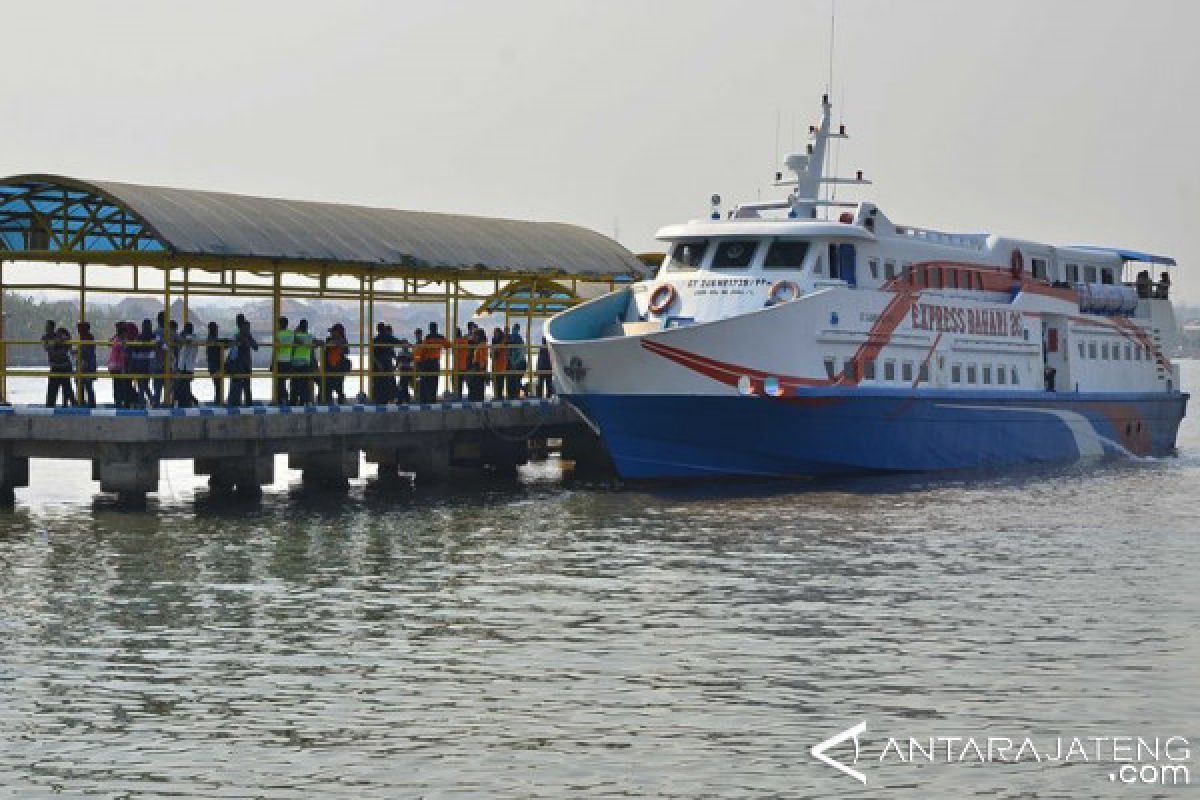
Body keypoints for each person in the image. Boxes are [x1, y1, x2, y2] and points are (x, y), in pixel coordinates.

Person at [226, 317, 258, 406]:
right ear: (241, 328)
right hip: (238, 365)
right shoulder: (237, 336)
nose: (248, 329)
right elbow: (233, 350)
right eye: (246, 328)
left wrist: (248, 340)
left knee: (247, 385)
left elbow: (256, 347)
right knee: (236, 384)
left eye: (249, 328)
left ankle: (248, 402)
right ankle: (234, 402)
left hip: (246, 364)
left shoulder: (248, 336)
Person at [42, 321, 74, 407]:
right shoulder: (46, 337)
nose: (46, 329)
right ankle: (50, 405)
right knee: (53, 388)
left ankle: (70, 403)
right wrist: (56, 343)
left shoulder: (59, 336)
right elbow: (47, 347)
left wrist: (59, 342)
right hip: (55, 366)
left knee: (67, 387)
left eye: (48, 327)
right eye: (46, 327)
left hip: (64, 366)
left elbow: (67, 341)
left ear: (52, 328)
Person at [323, 323, 350, 404]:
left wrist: (338, 344)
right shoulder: (329, 339)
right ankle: (328, 401)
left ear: (338, 332)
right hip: (329, 366)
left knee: (339, 385)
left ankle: (340, 400)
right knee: (328, 386)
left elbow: (346, 351)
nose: (331, 333)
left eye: (333, 332)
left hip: (339, 365)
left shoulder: (343, 340)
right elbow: (327, 347)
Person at [419, 322, 446, 403]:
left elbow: (422, 351)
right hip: (435, 362)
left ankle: (425, 399)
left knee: (426, 381)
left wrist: (420, 361)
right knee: (434, 381)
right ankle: (432, 399)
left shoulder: (427, 338)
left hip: (427, 362)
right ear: (436, 328)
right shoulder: (440, 338)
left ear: (430, 329)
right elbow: (448, 345)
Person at [132, 319, 157, 407]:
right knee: (145, 384)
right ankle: (150, 400)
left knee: (141, 384)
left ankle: (142, 402)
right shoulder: (154, 336)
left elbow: (134, 350)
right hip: (149, 362)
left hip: (140, 362)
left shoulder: (139, 337)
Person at [173, 321, 198, 407]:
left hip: (185, 366)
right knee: (185, 385)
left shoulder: (190, 338)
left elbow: (186, 340)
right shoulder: (194, 338)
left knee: (183, 385)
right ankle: (187, 401)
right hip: (187, 366)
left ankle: (187, 402)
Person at [370, 322, 396, 404]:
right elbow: (397, 342)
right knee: (386, 382)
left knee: (380, 383)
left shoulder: (376, 339)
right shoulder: (387, 338)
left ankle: (381, 399)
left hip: (380, 365)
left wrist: (378, 364)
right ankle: (387, 399)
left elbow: (372, 354)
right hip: (386, 364)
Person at [108, 322, 131, 408]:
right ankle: (123, 403)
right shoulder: (123, 341)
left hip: (113, 365)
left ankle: (118, 402)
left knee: (117, 385)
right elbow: (123, 354)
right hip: (119, 365)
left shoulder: (115, 338)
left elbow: (110, 342)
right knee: (122, 385)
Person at [76, 321, 97, 408]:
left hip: (87, 365)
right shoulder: (83, 338)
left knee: (87, 385)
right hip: (84, 364)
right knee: (81, 384)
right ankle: (82, 401)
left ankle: (89, 403)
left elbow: (87, 352)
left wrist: (84, 361)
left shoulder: (88, 338)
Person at [274, 316, 293, 406]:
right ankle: (285, 399)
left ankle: (281, 399)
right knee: (284, 381)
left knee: (280, 382)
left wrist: (272, 362)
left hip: (280, 360)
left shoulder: (278, 334)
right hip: (288, 360)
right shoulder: (291, 333)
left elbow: (276, 349)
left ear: (280, 324)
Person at [467, 327, 488, 402]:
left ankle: (476, 401)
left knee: (476, 387)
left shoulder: (481, 345)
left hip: (478, 368)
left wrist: (480, 369)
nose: (474, 338)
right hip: (478, 367)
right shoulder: (480, 345)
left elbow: (482, 358)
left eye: (475, 336)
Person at [506, 323, 526, 399]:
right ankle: (519, 392)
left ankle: (515, 394)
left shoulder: (513, 338)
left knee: (514, 379)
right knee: (516, 379)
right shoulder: (519, 339)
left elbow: (517, 353)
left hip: (517, 363)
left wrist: (513, 363)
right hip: (520, 363)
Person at [205, 322, 224, 404]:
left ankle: (218, 400)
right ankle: (218, 401)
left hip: (214, 364)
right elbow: (217, 344)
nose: (217, 330)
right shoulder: (211, 339)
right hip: (214, 365)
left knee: (218, 384)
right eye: (216, 328)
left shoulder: (212, 338)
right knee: (218, 384)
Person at [453, 324, 471, 398]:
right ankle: (470, 394)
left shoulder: (456, 342)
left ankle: (458, 395)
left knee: (458, 383)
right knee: (467, 382)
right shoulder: (465, 341)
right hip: (465, 364)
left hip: (458, 365)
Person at [490, 327, 507, 400]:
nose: (495, 335)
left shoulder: (503, 341)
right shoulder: (494, 342)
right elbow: (492, 353)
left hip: (501, 364)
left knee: (500, 381)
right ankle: (496, 395)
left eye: (496, 333)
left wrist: (494, 348)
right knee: (495, 381)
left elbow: (498, 349)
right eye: (494, 333)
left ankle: (499, 395)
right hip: (495, 364)